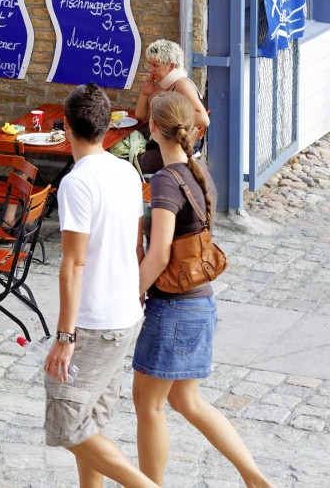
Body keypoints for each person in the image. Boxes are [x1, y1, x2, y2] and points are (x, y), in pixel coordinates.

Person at [132, 91, 271, 488]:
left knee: (148, 404)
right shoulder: (198, 170)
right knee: (185, 401)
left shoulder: (164, 181)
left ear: (153, 127)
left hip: (173, 308)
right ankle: (254, 477)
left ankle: (150, 486)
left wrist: (134, 292)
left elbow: (158, 255)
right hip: (200, 302)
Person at [44, 83, 155, 488]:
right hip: (126, 313)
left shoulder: (76, 183)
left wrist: (64, 336)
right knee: (90, 421)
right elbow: (136, 243)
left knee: (67, 424)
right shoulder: (126, 171)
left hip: (94, 322)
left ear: (68, 129)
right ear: (107, 128)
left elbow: (73, 263)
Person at [132, 39, 209, 173]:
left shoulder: (181, 85)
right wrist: (145, 94)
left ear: (171, 66)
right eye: (149, 64)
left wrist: (167, 118)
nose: (150, 70)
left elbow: (204, 119)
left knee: (128, 163)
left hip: (178, 151)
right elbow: (140, 116)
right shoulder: (163, 86)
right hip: (166, 146)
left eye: (155, 65)